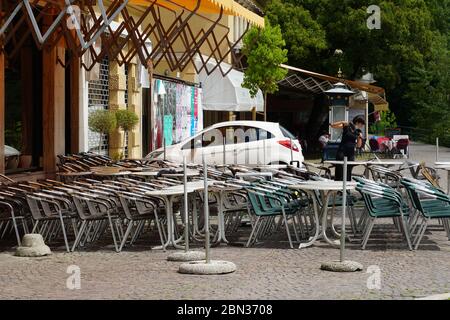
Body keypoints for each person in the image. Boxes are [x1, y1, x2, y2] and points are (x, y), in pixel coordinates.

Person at [330, 116, 365, 181]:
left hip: (351, 153)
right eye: (362, 124)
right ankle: (338, 188)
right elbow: (333, 125)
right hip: (342, 151)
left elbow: (358, 146)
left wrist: (360, 137)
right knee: (340, 171)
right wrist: (343, 122)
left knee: (348, 171)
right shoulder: (348, 126)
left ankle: (347, 189)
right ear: (357, 122)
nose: (362, 126)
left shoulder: (358, 131)